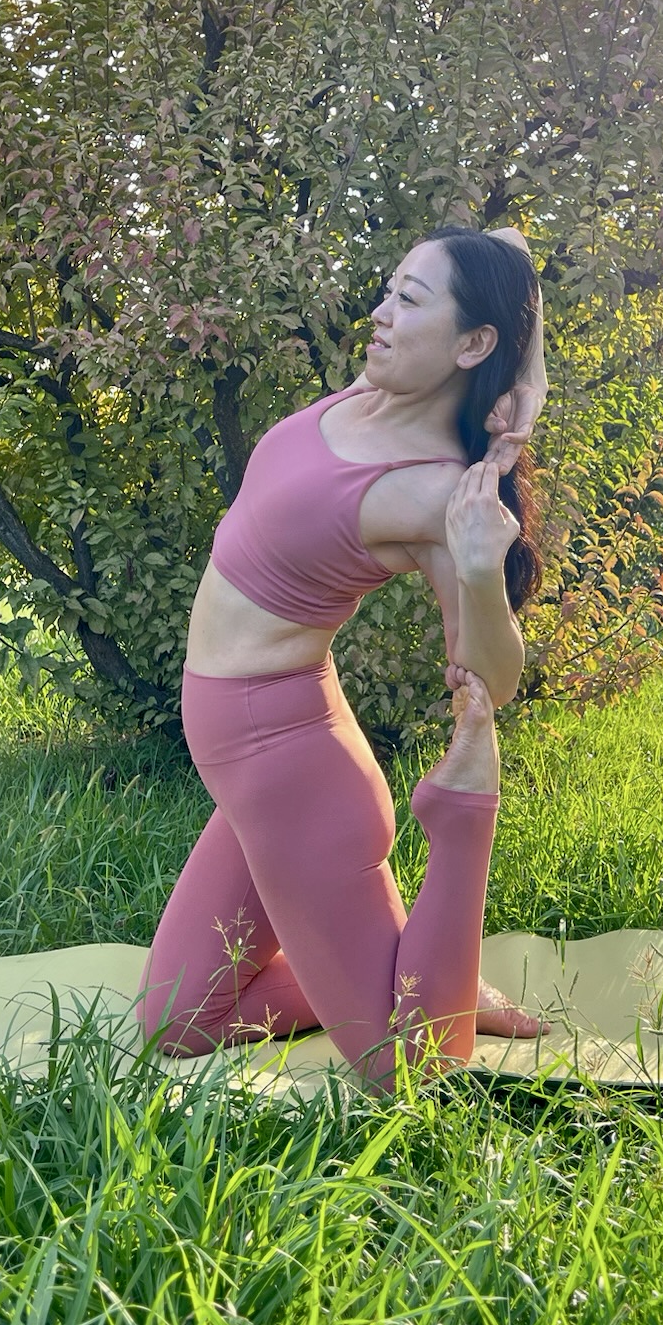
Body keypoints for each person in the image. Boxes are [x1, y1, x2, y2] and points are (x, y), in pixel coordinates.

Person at [142, 224, 548, 1087]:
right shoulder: (368, 395)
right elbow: (511, 247)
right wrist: (529, 377)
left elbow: (495, 677)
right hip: (248, 766)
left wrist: (482, 571)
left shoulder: (436, 490)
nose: (381, 312)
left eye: (410, 300)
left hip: (289, 769)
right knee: (178, 1020)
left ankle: (457, 845)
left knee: (408, 1065)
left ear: (471, 344)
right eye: (389, 289)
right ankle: (422, 978)